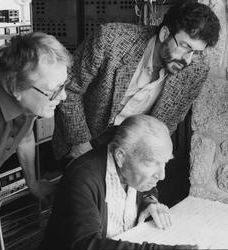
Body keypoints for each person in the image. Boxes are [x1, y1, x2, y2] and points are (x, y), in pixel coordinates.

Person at [52, 1, 220, 161]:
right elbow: (69, 88)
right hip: (81, 136)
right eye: (185, 47)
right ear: (165, 34)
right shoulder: (110, 39)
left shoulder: (195, 71)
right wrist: (80, 142)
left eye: (196, 53)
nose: (188, 60)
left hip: (131, 150)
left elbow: (168, 123)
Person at [40, 115, 198, 250]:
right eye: (152, 163)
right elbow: (88, 245)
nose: (161, 175)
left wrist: (149, 202)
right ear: (120, 156)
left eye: (164, 162)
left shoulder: (132, 171)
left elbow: (146, 190)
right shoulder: (82, 179)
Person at [0, 32, 73, 249]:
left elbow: (25, 137)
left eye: (64, 84)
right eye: (53, 90)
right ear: (15, 88)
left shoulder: (28, 102)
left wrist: (33, 183)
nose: (64, 96)